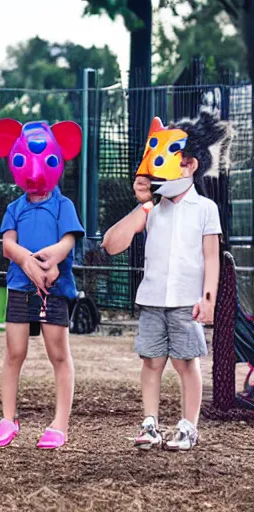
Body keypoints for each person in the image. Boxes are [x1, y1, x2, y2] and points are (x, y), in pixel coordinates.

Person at [102, 110, 233, 450]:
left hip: (186, 300)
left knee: (186, 363)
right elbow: (111, 244)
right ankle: (150, 425)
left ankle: (188, 427)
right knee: (152, 361)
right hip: (152, 298)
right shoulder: (153, 210)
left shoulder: (206, 209)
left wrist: (208, 299)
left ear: (190, 165)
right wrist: (141, 206)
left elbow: (210, 257)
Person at [0, 119, 84, 449]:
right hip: (19, 286)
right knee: (14, 353)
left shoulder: (63, 205)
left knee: (58, 354)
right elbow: (8, 245)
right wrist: (27, 261)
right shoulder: (14, 207)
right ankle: (7, 418)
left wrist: (53, 260)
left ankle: (59, 424)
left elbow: (69, 240)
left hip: (54, 291)